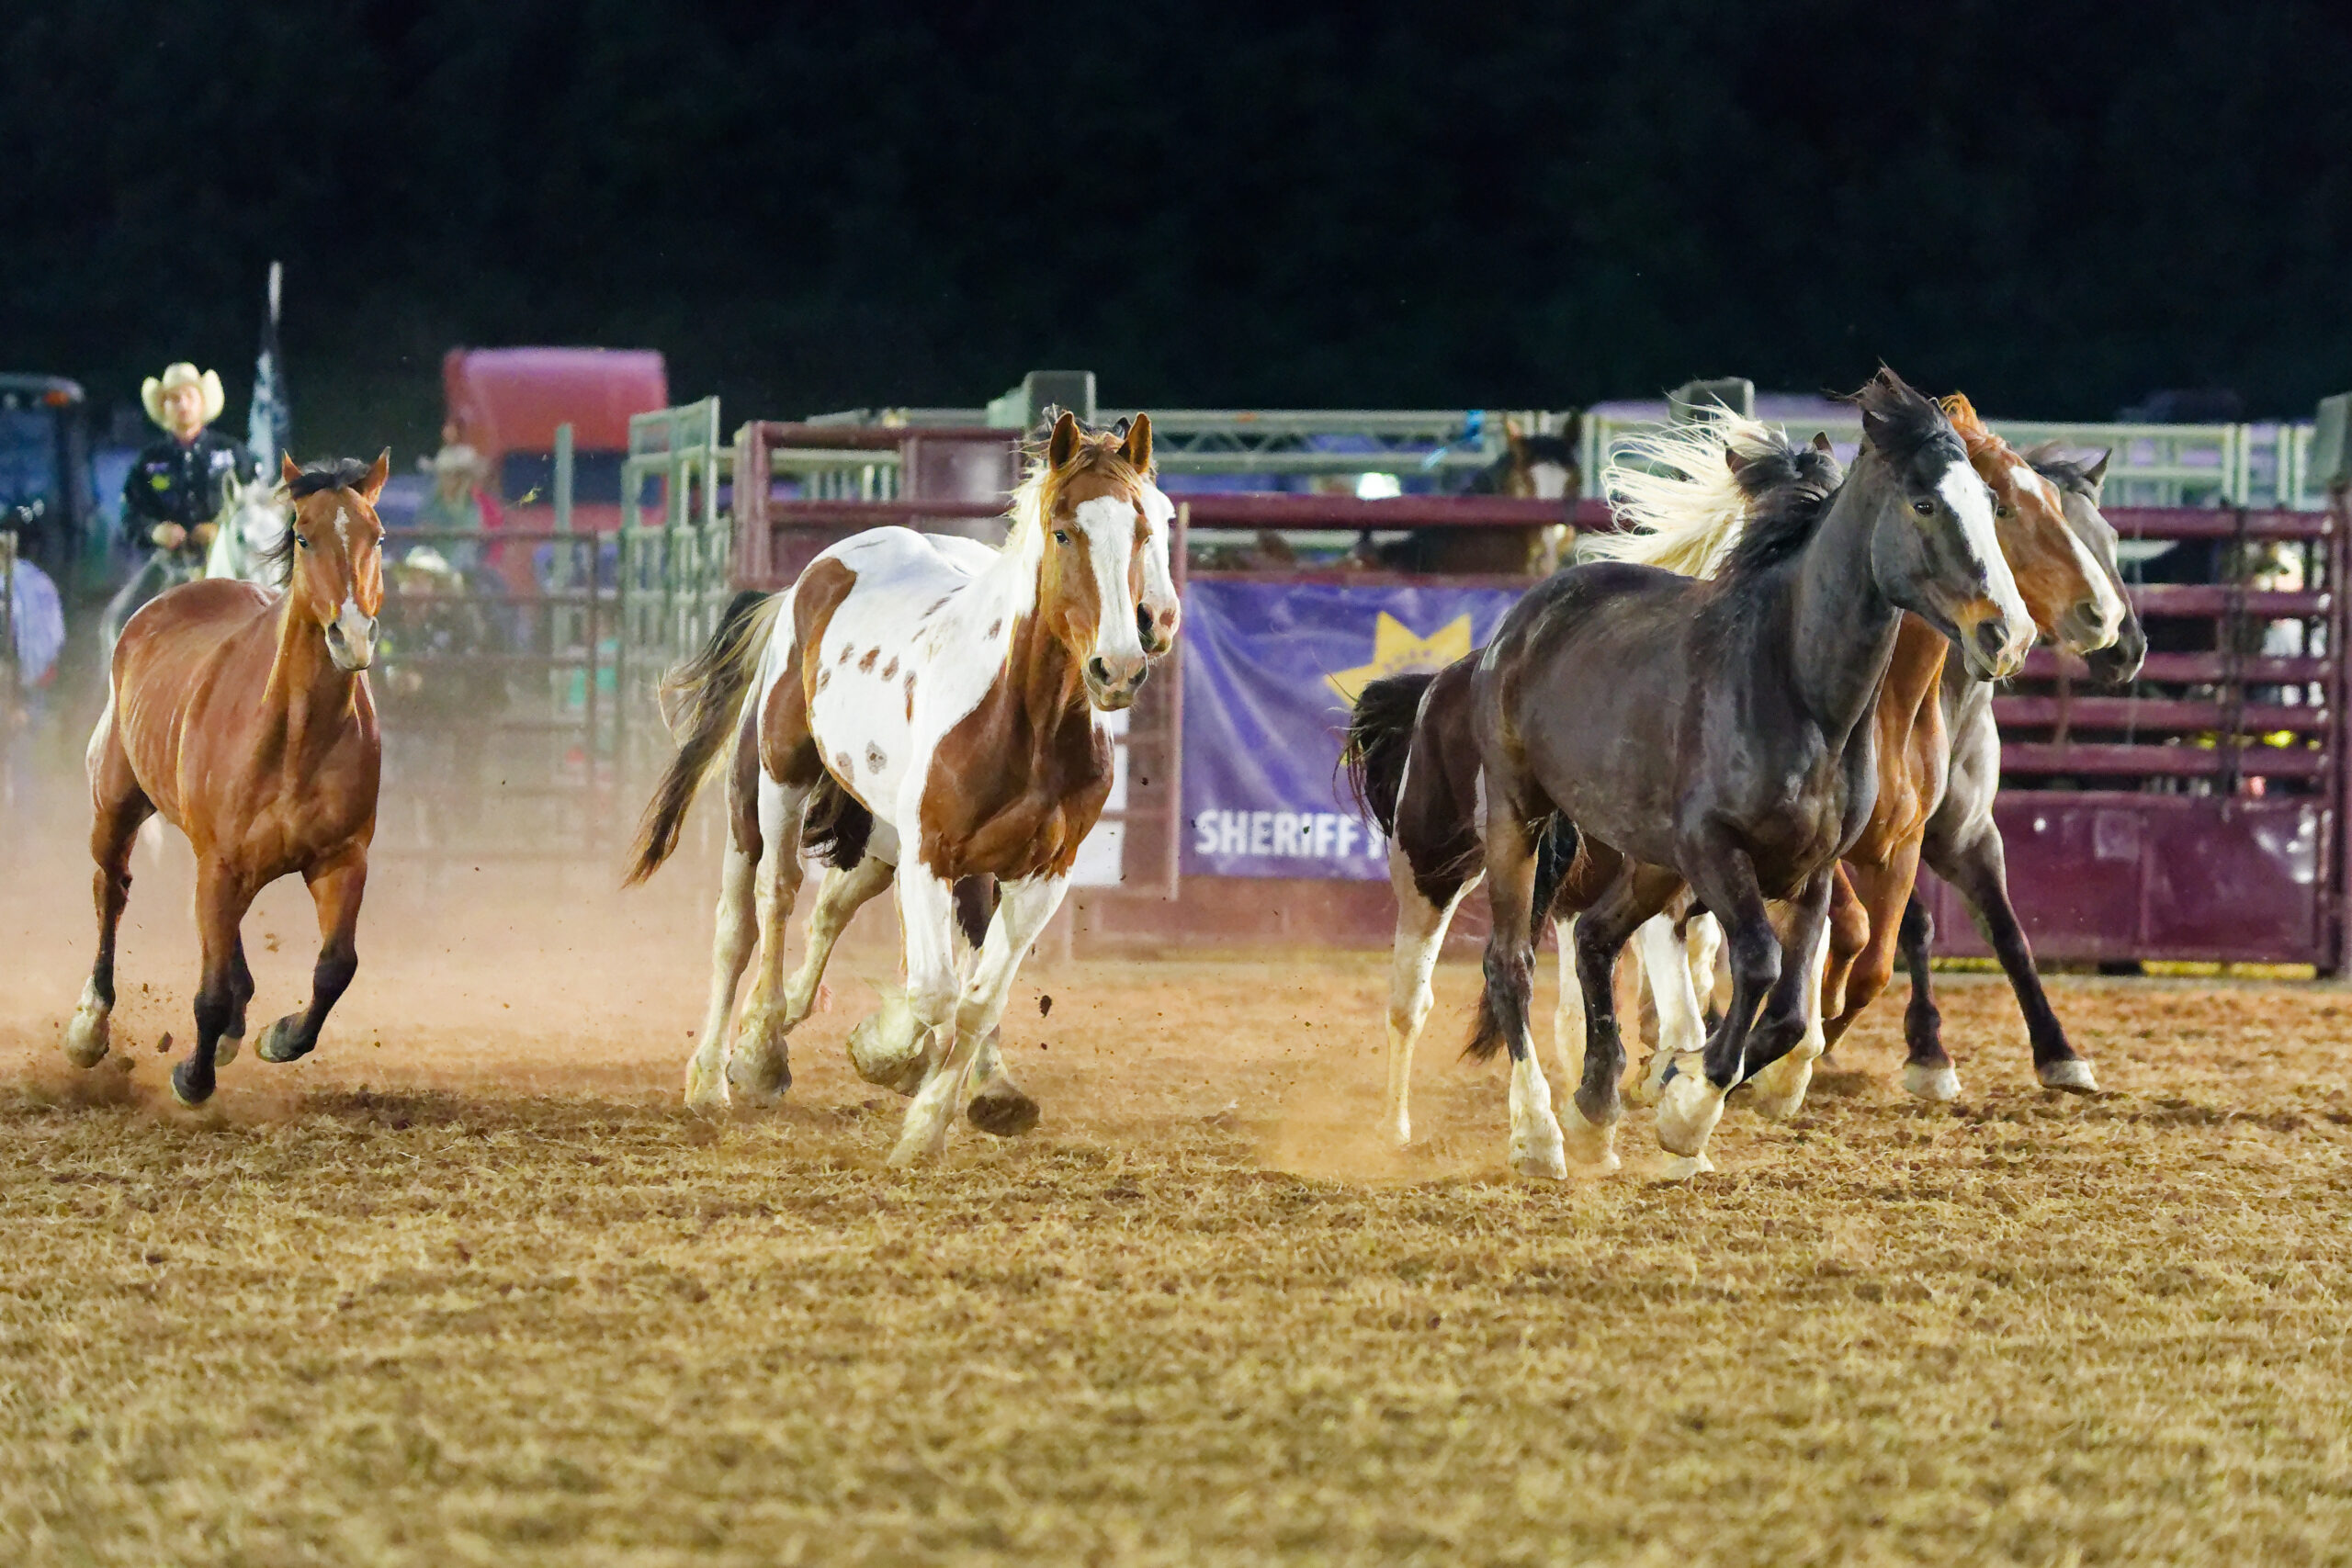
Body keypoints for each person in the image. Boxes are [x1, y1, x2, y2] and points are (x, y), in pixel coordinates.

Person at [106, 363, 256, 641]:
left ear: (202, 403)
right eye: (174, 398)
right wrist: (155, 531)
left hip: (231, 564)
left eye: (189, 396)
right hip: (169, 564)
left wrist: (219, 530)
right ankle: (119, 684)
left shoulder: (232, 453)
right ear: (164, 407)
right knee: (120, 620)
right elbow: (130, 515)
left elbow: (257, 505)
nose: (183, 404)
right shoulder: (149, 461)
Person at [413, 441, 501, 572]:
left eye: (454, 475)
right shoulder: (432, 503)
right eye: (444, 474)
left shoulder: (472, 507)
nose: (447, 480)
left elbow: (467, 549)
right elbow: (420, 536)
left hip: (463, 573)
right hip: (429, 571)